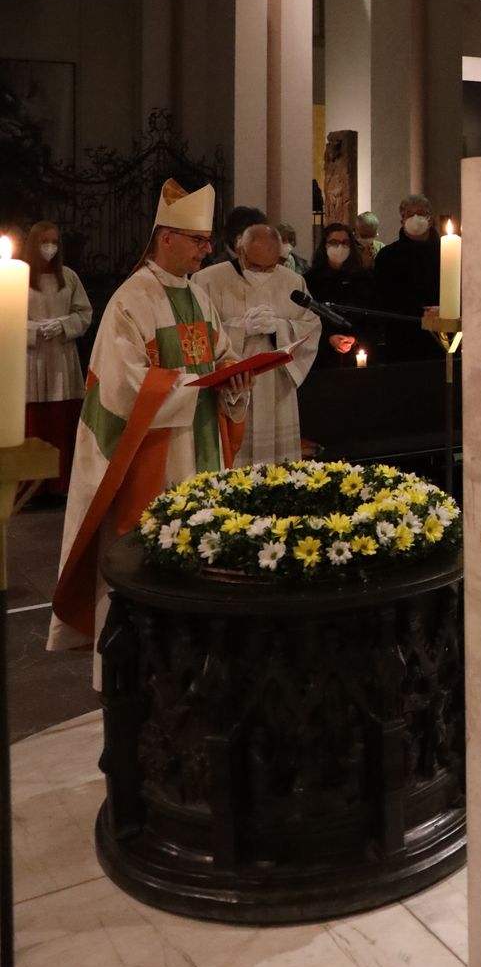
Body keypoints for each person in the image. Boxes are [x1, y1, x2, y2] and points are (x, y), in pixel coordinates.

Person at [48, 180, 252, 678]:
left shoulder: (199, 299)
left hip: (199, 449)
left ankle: (195, 665)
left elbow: (222, 357)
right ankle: (134, 672)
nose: (207, 250)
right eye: (197, 241)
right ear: (165, 238)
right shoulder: (130, 301)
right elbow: (120, 389)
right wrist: (193, 384)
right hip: (150, 457)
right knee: (145, 560)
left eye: (207, 241)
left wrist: (236, 380)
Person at [195, 223, 322, 463]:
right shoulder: (207, 280)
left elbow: (311, 326)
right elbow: (197, 331)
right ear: (239, 252)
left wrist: (281, 328)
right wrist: (239, 328)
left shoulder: (293, 281)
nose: (262, 273)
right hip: (232, 386)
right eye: (254, 266)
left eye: (270, 267)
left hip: (278, 386)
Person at [22, 222, 93, 495]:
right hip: (33, 357)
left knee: (61, 422)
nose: (50, 247)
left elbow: (84, 313)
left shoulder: (69, 277)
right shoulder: (20, 277)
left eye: (54, 241)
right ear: (33, 244)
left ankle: (60, 486)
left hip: (62, 358)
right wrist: (33, 329)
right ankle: (32, 489)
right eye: (44, 241)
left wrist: (64, 325)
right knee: (35, 424)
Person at [372, 195, 440, 359]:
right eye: (410, 214)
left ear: (430, 219)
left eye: (421, 213)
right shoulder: (388, 256)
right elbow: (384, 297)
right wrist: (419, 311)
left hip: (441, 334)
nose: (416, 218)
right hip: (403, 337)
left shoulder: (447, 253)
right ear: (402, 220)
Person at [306, 221, 370, 366]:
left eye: (345, 243)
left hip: (355, 349)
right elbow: (306, 318)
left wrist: (355, 337)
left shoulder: (363, 278)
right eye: (334, 242)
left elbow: (370, 313)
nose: (340, 247)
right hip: (322, 356)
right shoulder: (311, 279)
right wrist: (329, 338)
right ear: (325, 245)